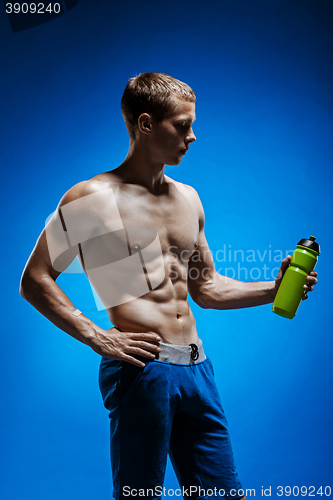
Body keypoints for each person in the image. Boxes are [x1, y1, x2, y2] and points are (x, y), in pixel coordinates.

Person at [20, 73, 318, 500]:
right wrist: (95, 336)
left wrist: (274, 289)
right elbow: (35, 279)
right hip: (143, 370)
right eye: (182, 125)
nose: (192, 136)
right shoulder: (94, 198)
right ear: (145, 124)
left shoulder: (188, 199)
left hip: (199, 370)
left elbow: (207, 289)